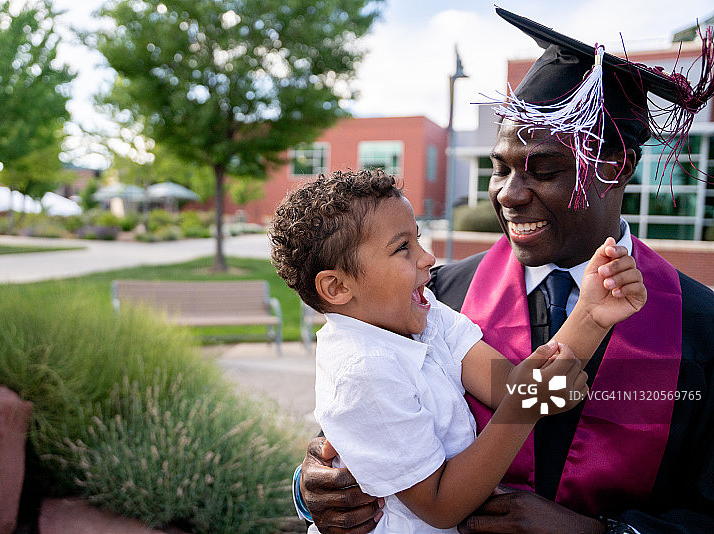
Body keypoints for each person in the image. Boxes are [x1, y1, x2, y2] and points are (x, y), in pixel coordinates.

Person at [295, 8, 714, 534]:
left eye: (545, 170)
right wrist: (316, 486)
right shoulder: (435, 297)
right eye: (499, 167)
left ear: (616, 169)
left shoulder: (701, 326)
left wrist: (595, 533)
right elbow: (372, 425)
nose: (509, 195)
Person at [270, 169, 647, 533]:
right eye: (402, 248)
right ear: (337, 288)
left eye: (418, 239)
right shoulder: (360, 370)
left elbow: (515, 387)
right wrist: (525, 405)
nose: (428, 258)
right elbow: (441, 506)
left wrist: (591, 316)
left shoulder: (426, 314)